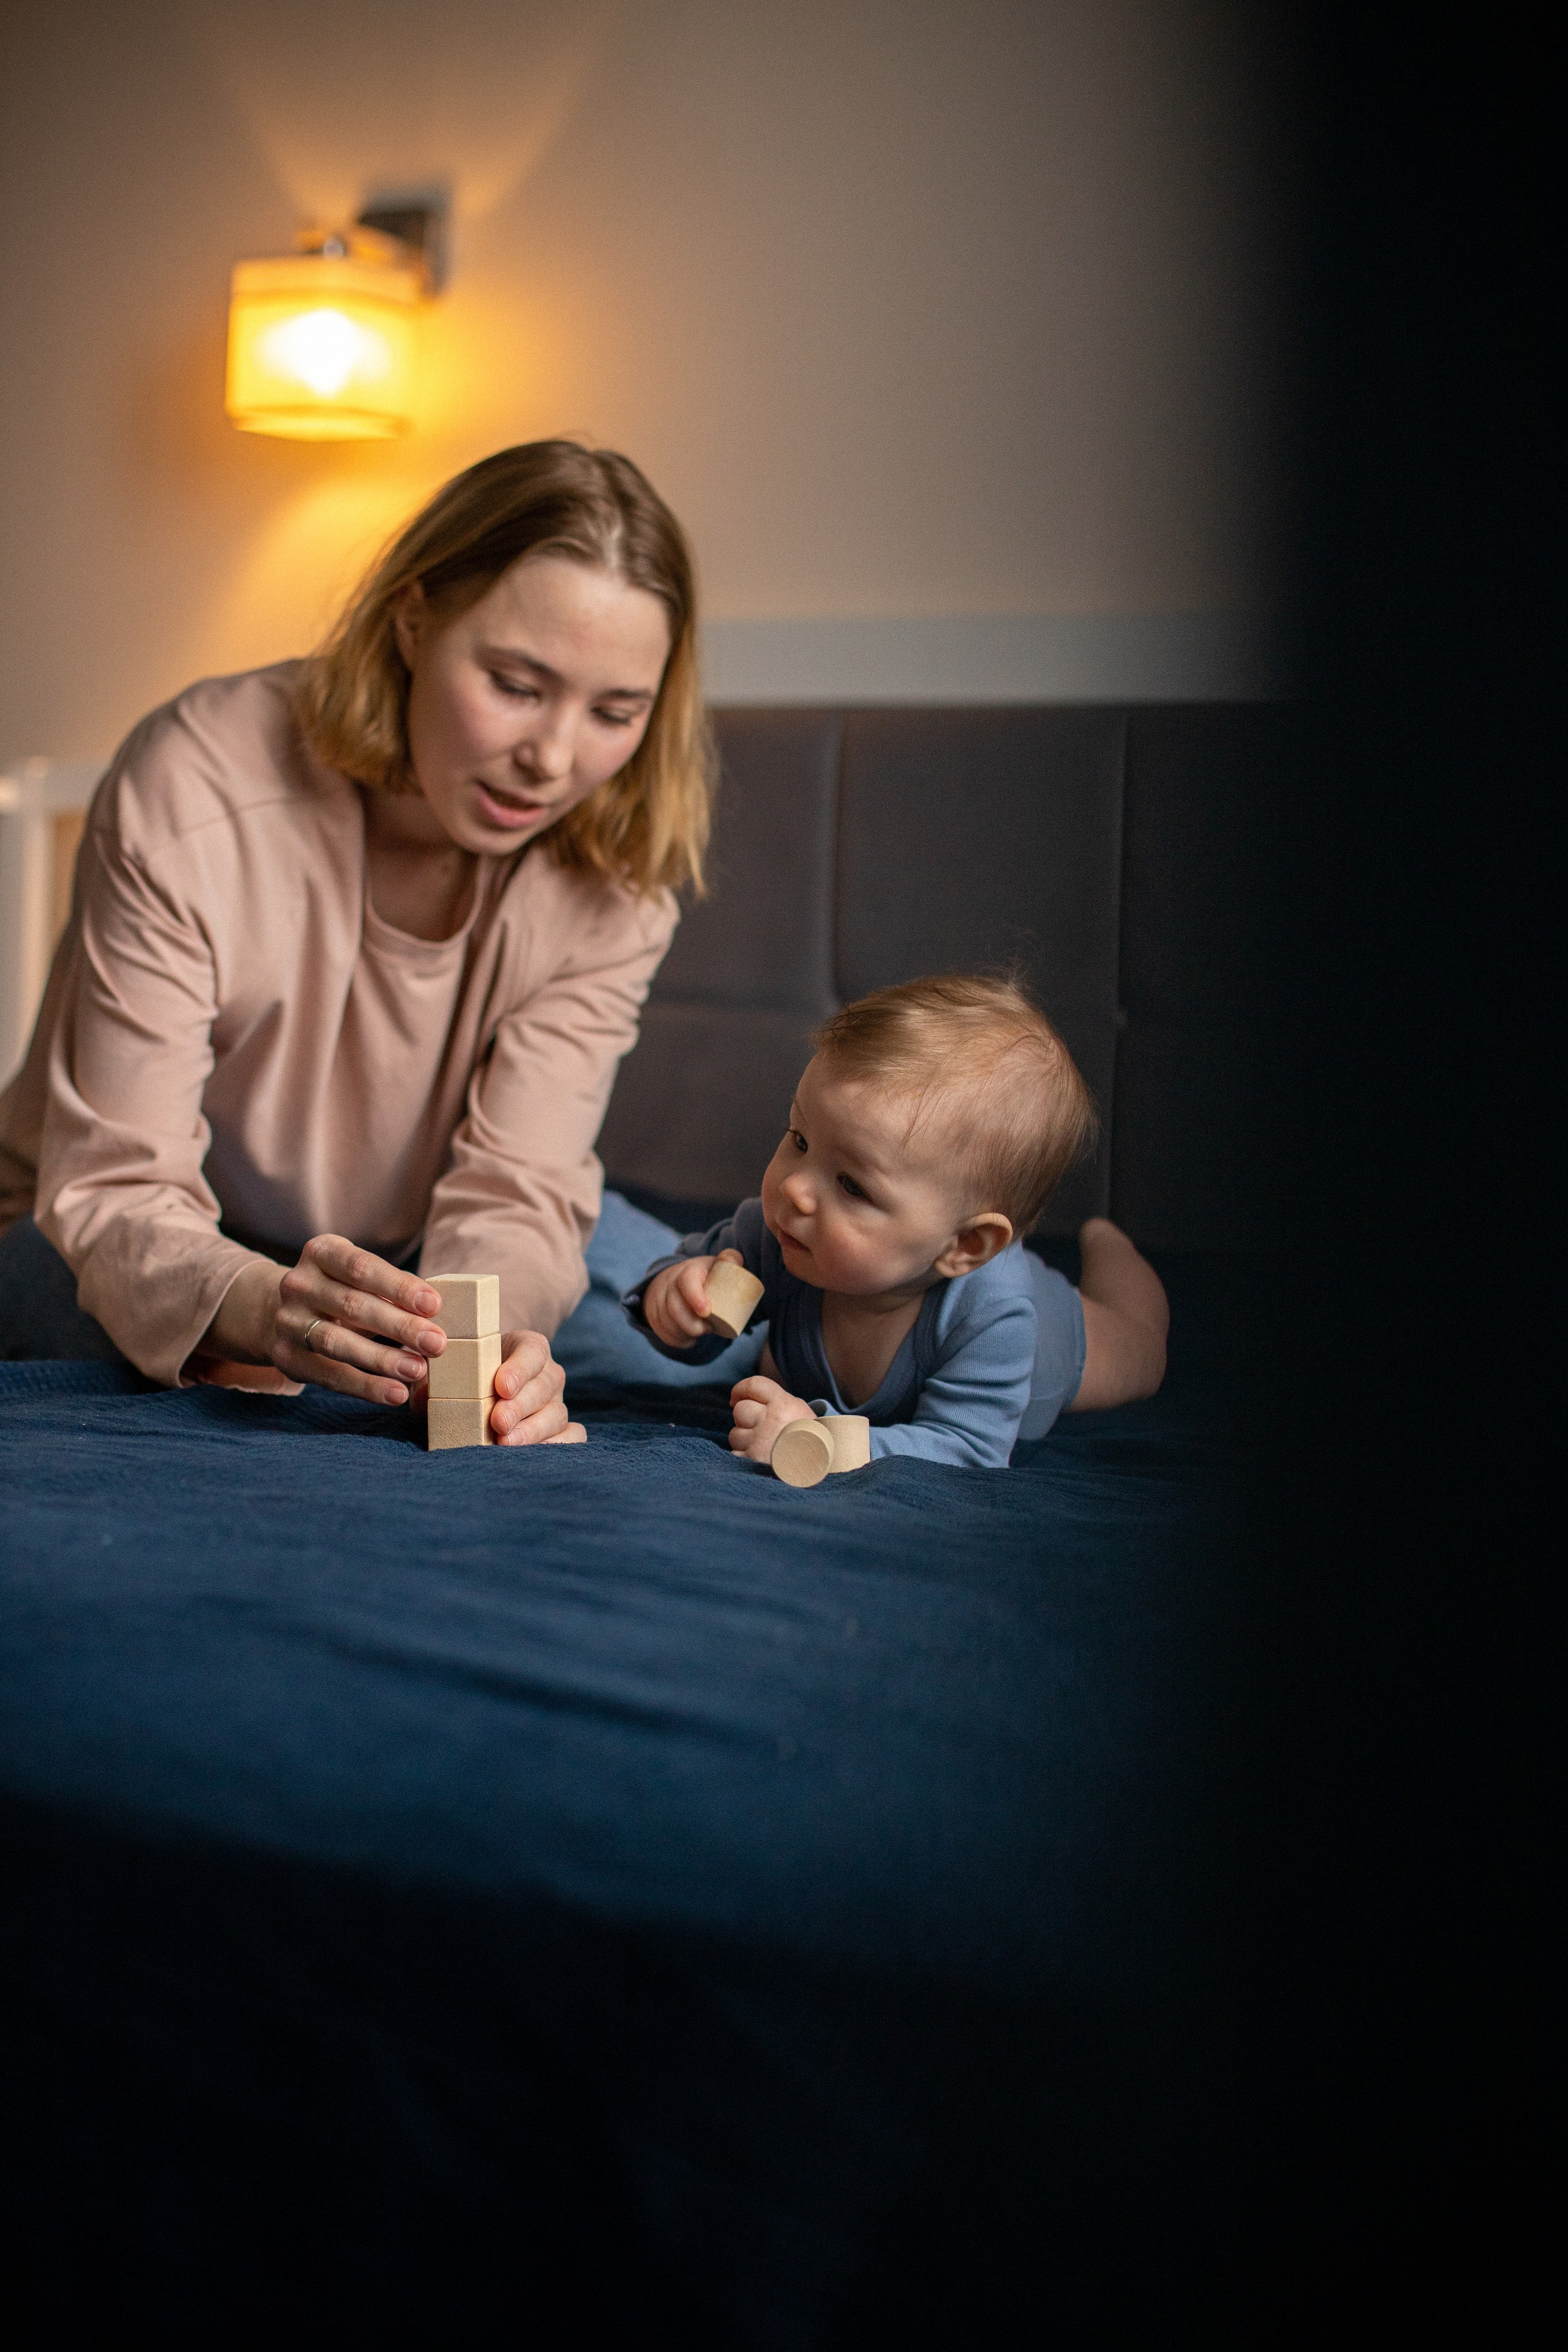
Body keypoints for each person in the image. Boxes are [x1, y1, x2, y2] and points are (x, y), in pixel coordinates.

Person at [0, 440, 733, 1443]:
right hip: (110, 1226)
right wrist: (264, 1311)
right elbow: (118, 1187)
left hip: (414, 1244)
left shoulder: (617, 865)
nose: (555, 761)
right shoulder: (193, 783)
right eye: (516, 684)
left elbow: (518, 1181)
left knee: (731, 1341)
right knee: (100, 1327)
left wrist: (487, 1352)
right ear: (413, 617)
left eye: (615, 712)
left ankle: (998, 1310)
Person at [624, 974, 1170, 1468]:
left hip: (1057, 1338)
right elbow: (695, 1330)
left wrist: (818, 1442)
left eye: (852, 1185)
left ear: (965, 1244)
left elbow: (967, 1447)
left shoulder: (993, 1316)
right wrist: (670, 1300)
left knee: (1140, 1350)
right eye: (800, 1139)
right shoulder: (780, 1236)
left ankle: (1110, 1244)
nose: (794, 1188)